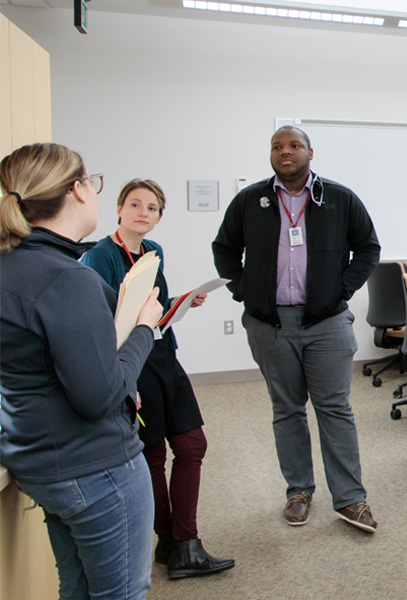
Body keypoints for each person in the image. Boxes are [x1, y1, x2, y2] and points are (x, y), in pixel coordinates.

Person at [0, 143, 162, 599]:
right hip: (95, 468)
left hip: (39, 462)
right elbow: (99, 396)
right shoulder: (66, 278)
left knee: (76, 589)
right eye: (92, 181)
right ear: (77, 190)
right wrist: (144, 330)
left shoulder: (13, 266)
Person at [212, 126, 381, 532]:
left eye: (293, 146)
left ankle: (351, 499)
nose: (284, 152)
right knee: (286, 409)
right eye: (277, 146)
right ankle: (299, 491)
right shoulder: (251, 200)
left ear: (310, 152)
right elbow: (224, 249)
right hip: (270, 324)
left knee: (335, 409)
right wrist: (245, 290)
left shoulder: (337, 198)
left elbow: (369, 248)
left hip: (326, 322)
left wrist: (340, 289)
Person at [81, 179, 234, 579]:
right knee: (152, 454)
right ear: (118, 208)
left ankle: (178, 542)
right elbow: (104, 319)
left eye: (152, 208)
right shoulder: (100, 256)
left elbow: (154, 308)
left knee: (191, 444)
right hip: (131, 361)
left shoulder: (153, 252)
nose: (143, 213)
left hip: (162, 352)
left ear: (160, 217)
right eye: (135, 204)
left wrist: (181, 300)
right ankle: (175, 544)